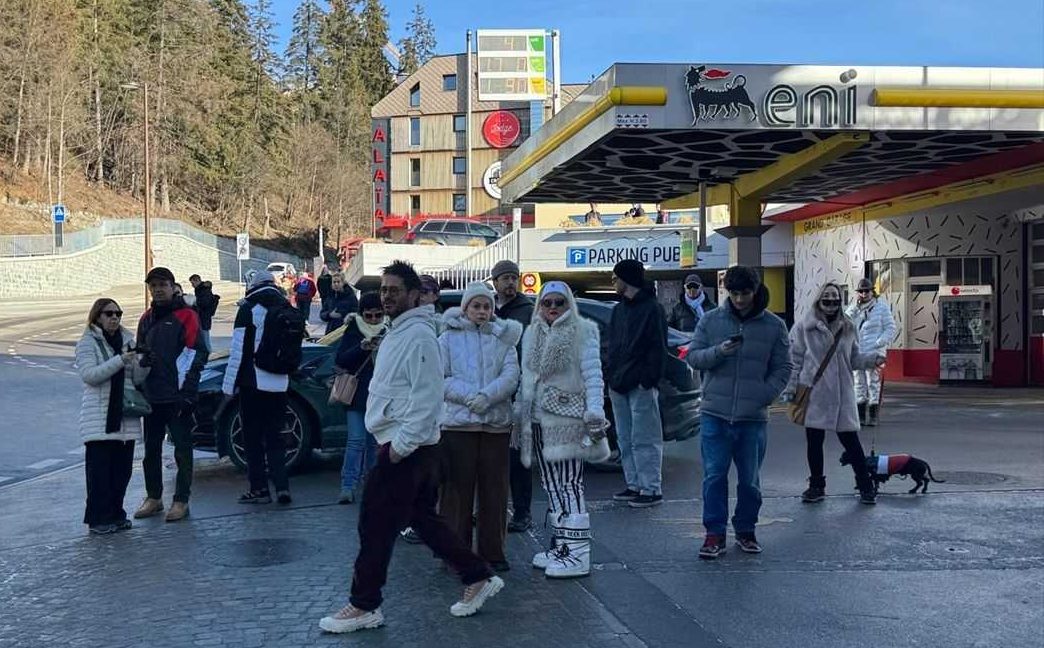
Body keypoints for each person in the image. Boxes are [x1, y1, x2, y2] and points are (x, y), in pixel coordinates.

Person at [319, 260, 504, 634]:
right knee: (422, 519)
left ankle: (364, 604)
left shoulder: (418, 336)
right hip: (404, 443)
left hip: (406, 447)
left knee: (374, 524)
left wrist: (399, 446)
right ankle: (477, 574)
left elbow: (427, 396)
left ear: (414, 294)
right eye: (384, 289)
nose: (387, 295)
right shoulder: (401, 331)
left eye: (394, 290)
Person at [687, 265, 791, 558]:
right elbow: (694, 357)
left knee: (749, 480)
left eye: (745, 293)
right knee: (714, 476)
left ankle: (746, 530)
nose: (740, 300)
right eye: (734, 294)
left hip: (752, 417)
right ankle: (713, 534)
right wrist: (719, 352)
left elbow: (783, 366)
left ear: (756, 291)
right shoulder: (710, 321)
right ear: (727, 292)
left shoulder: (774, 326)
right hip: (714, 414)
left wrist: (764, 394)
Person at [513, 281, 609, 578]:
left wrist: (595, 411)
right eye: (547, 302)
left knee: (570, 485)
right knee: (552, 485)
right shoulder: (532, 333)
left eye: (559, 302)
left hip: (568, 418)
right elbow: (525, 378)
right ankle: (563, 546)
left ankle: (579, 553)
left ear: (569, 304)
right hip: (538, 420)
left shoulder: (583, 332)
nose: (553, 308)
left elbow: (594, 376)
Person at [439, 282, 522, 572]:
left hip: (495, 425)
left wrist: (487, 397)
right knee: (456, 494)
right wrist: (469, 397)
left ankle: (493, 552)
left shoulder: (503, 339)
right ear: (465, 308)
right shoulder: (448, 338)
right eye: (476, 306)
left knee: (495, 492)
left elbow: (512, 375)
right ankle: (455, 553)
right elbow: (442, 377)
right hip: (458, 426)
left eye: (486, 306)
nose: (482, 311)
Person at [786, 282, 887, 506]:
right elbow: (795, 361)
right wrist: (791, 389)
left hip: (843, 393)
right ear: (818, 301)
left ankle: (865, 486)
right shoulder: (804, 327)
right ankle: (816, 486)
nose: (831, 304)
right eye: (826, 299)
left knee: (851, 442)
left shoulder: (849, 326)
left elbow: (854, 359)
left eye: (835, 300)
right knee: (814, 442)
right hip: (816, 393)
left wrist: (873, 360)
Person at [134, 267, 208, 523]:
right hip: (152, 396)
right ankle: (153, 497)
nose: (157, 289)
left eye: (162, 284)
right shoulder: (146, 318)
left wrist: (187, 392)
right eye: (152, 285)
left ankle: (181, 500)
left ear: (172, 286)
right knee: (151, 450)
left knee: (182, 449)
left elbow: (198, 353)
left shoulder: (186, 315)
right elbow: (139, 354)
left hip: (177, 395)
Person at [76, 298, 147, 535]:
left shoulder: (128, 340)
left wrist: (143, 364)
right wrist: (120, 360)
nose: (114, 318)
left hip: (124, 417)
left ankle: (117, 514)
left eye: (118, 313)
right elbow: (90, 375)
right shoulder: (88, 342)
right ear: (97, 317)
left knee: (121, 473)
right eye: (109, 314)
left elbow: (135, 379)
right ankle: (98, 519)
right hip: (100, 417)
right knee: (100, 475)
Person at [224, 271, 295, 505]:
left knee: (253, 438)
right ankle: (282, 487)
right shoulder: (286, 306)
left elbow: (238, 351)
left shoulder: (248, 308)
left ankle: (259, 489)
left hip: (253, 382)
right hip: (280, 381)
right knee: (276, 437)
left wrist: (228, 386)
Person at [606, 259, 668, 508]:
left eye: (615, 278)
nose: (613, 282)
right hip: (619, 382)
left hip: (640, 383)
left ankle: (651, 488)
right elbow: (612, 345)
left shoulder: (652, 308)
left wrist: (648, 380)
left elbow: (658, 347)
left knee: (645, 437)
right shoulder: (619, 310)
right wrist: (610, 376)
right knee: (625, 438)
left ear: (626, 279)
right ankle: (634, 485)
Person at [491, 259, 536, 533]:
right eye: (504, 278)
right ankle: (489, 510)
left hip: (518, 392)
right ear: (494, 282)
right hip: (491, 390)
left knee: (518, 455)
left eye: (513, 278)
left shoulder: (527, 312)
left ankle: (522, 512)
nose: (510, 283)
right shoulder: (487, 307)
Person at [399, 273, 444, 545]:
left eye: (427, 290)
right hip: (410, 407)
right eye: (419, 290)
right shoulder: (405, 324)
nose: (422, 295)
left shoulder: (440, 324)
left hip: (435, 410)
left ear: (434, 295)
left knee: (428, 474)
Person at [335, 292, 386, 504]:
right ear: (361, 314)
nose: (373, 320)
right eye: (369, 316)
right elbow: (341, 359)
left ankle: (372, 485)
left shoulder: (390, 330)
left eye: (377, 315)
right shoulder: (354, 329)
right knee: (355, 441)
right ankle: (348, 485)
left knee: (374, 443)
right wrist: (361, 347)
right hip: (356, 395)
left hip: (380, 395)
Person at [846, 278, 897, 427]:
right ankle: (860, 415)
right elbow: (845, 323)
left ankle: (873, 414)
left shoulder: (881, 307)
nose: (864, 294)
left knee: (873, 382)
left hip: (873, 351)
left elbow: (890, 328)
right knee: (858, 383)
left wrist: (878, 343)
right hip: (857, 351)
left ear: (872, 292)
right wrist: (855, 308)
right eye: (861, 291)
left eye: (866, 291)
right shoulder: (854, 308)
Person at [189, 274, 220, 353]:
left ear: (197, 280)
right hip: (201, 316)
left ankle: (208, 352)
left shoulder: (204, 290)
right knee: (202, 336)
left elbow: (205, 303)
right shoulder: (200, 289)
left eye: (193, 283)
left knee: (205, 336)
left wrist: (195, 302)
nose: (192, 285)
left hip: (204, 316)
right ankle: (205, 352)